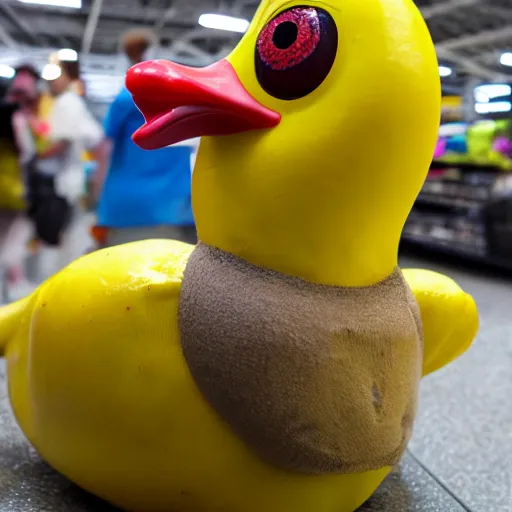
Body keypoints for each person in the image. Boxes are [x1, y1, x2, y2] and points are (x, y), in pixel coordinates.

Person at [93, 28, 196, 248]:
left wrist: (96, 193)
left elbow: (105, 148)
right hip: (175, 205)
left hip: (129, 207)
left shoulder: (125, 99)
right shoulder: (183, 97)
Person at [35, 58, 103, 280]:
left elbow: (62, 143)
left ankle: (49, 284)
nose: (52, 83)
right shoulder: (68, 103)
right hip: (68, 183)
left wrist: (34, 157)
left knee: (55, 238)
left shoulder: (67, 102)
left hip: (62, 184)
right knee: (65, 236)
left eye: (57, 76)